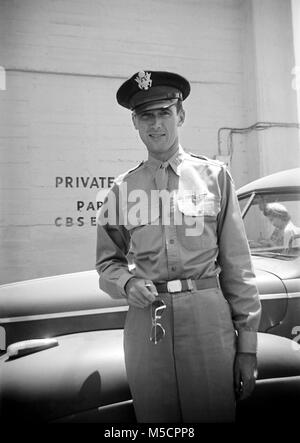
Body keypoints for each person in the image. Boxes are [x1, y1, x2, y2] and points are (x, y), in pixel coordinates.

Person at [95, 70, 261, 423]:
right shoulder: (121, 190)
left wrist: (247, 348)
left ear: (180, 116)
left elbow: (237, 264)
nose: (156, 124)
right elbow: (107, 261)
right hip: (147, 326)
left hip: (207, 325)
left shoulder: (215, 177)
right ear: (135, 123)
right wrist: (126, 282)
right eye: (146, 116)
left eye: (164, 113)